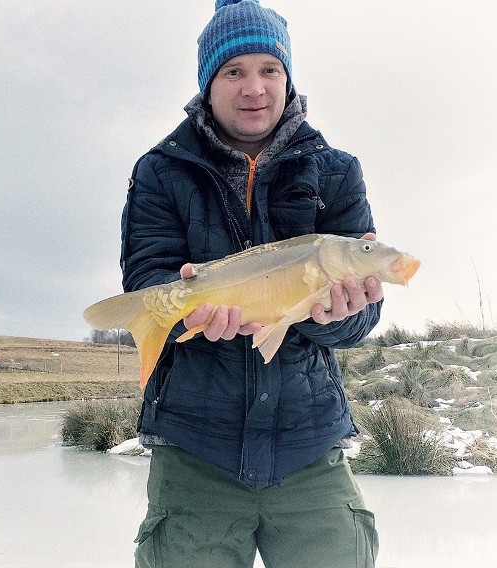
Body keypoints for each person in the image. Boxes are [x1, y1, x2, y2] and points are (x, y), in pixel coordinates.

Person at [121, 1, 381, 566]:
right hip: (194, 448)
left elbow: (361, 322)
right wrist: (182, 304)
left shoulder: (336, 171)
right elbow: (149, 275)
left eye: (270, 70)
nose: (254, 87)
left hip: (309, 445)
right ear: (207, 85)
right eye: (234, 71)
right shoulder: (159, 171)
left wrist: (338, 313)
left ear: (288, 78)